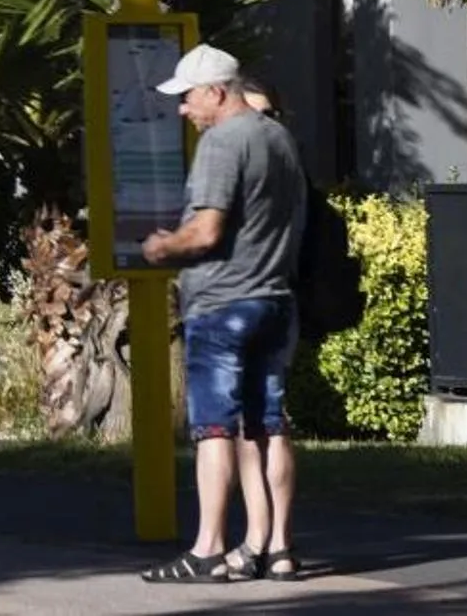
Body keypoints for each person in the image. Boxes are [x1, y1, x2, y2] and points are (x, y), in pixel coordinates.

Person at [136, 43, 306, 585]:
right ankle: (276, 546)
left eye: (188, 98)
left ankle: (207, 547)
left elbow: (207, 230)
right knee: (269, 424)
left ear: (215, 92)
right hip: (275, 298)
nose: (184, 109)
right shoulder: (278, 138)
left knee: (213, 428)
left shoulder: (221, 142)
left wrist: (162, 247)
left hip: (222, 303)